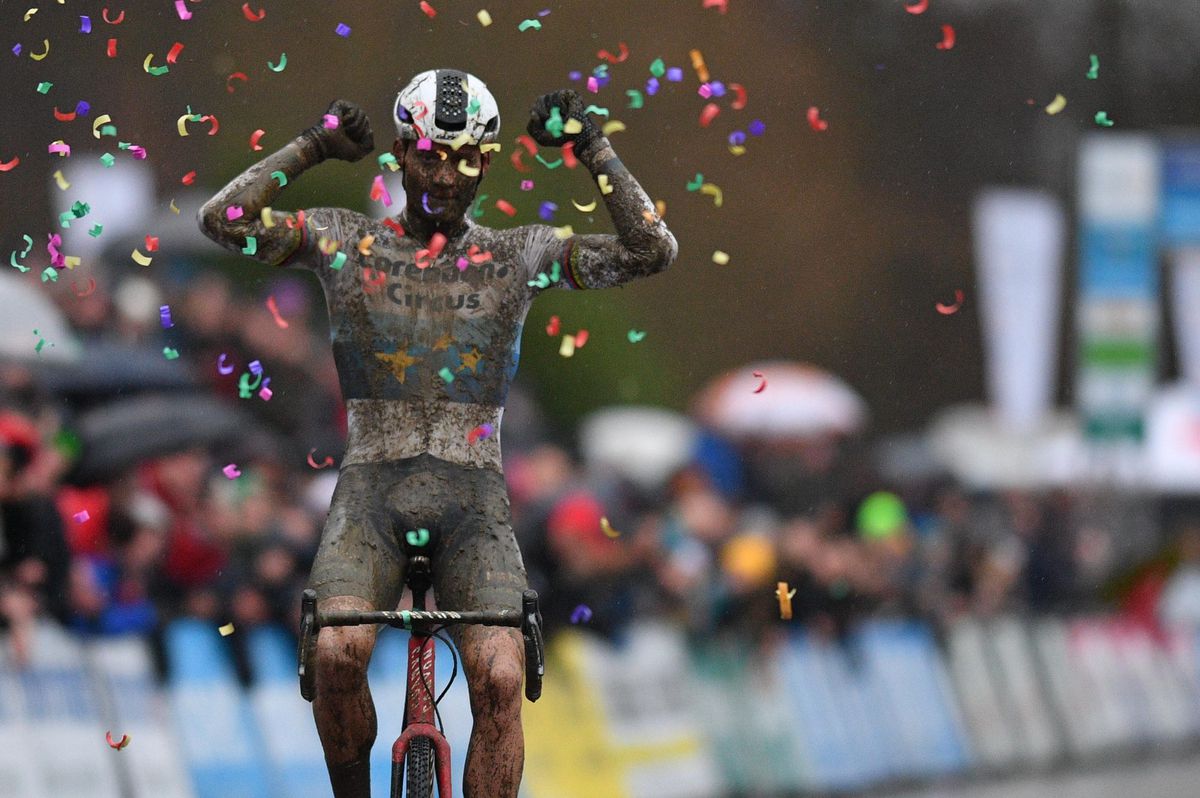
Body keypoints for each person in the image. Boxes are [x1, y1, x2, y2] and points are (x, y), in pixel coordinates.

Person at [197, 69, 677, 797]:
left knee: (501, 677)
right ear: (398, 152)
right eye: (427, 154)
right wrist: (312, 146)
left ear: (486, 161)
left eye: (463, 158)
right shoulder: (343, 240)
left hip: (473, 502)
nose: (444, 175)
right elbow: (223, 222)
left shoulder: (519, 253)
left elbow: (651, 250)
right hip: (371, 494)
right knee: (336, 656)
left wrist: (594, 146)